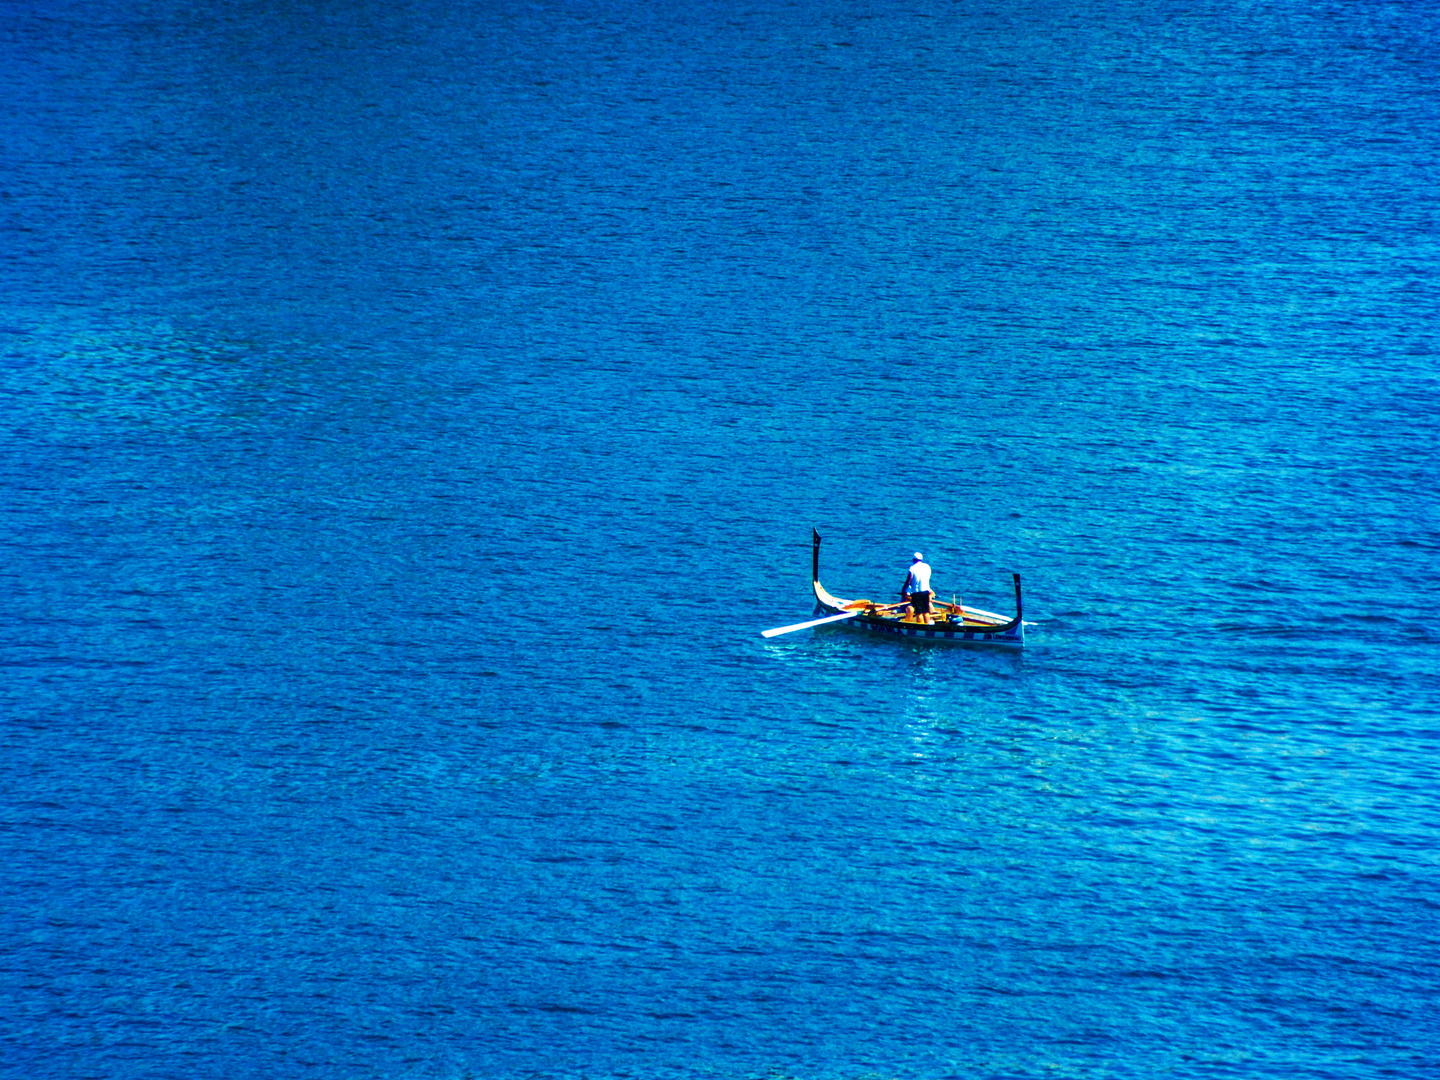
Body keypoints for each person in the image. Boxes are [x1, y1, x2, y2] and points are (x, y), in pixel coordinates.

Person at [900, 551, 933, 621]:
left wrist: (904, 590)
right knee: (926, 611)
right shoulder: (927, 567)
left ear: (913, 560)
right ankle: (927, 625)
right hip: (926, 592)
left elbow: (908, 581)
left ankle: (921, 626)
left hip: (917, 593)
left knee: (919, 613)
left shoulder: (912, 568)